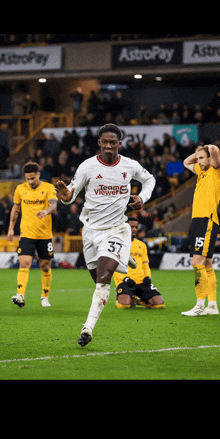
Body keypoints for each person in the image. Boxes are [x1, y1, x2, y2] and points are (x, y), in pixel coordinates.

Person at [56, 123, 156, 347]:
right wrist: (64, 196)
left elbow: (149, 179)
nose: (109, 146)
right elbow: (70, 195)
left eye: (113, 142)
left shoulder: (130, 166)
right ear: (99, 143)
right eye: (105, 142)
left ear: (119, 144)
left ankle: (87, 328)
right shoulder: (87, 167)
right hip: (90, 231)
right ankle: (125, 256)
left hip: (117, 229)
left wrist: (143, 197)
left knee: (103, 279)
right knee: (96, 279)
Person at [7, 162, 58, 308]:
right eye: (27, 179)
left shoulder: (48, 187)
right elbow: (15, 209)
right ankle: (20, 295)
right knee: (24, 262)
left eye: (32, 179)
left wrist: (46, 211)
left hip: (44, 234)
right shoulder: (20, 189)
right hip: (26, 233)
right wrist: (11, 228)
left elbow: (53, 204)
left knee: (45, 266)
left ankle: (45, 296)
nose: (30, 182)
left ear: (38, 175)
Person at [181, 145, 220, 316]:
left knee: (197, 262)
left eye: (202, 158)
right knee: (207, 264)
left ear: (210, 158)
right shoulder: (201, 171)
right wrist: (198, 153)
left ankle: (199, 304)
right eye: (198, 159)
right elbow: (185, 162)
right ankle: (212, 305)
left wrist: (209, 147)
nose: (199, 161)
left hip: (207, 219)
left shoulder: (215, 170)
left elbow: (216, 152)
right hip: (199, 220)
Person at [113, 217, 165, 309]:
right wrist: (124, 279)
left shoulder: (142, 245)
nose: (134, 229)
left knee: (160, 305)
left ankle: (137, 300)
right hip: (126, 281)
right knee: (124, 305)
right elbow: (114, 266)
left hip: (141, 281)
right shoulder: (117, 244)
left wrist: (148, 277)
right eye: (131, 227)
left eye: (136, 227)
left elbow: (145, 265)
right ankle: (124, 298)